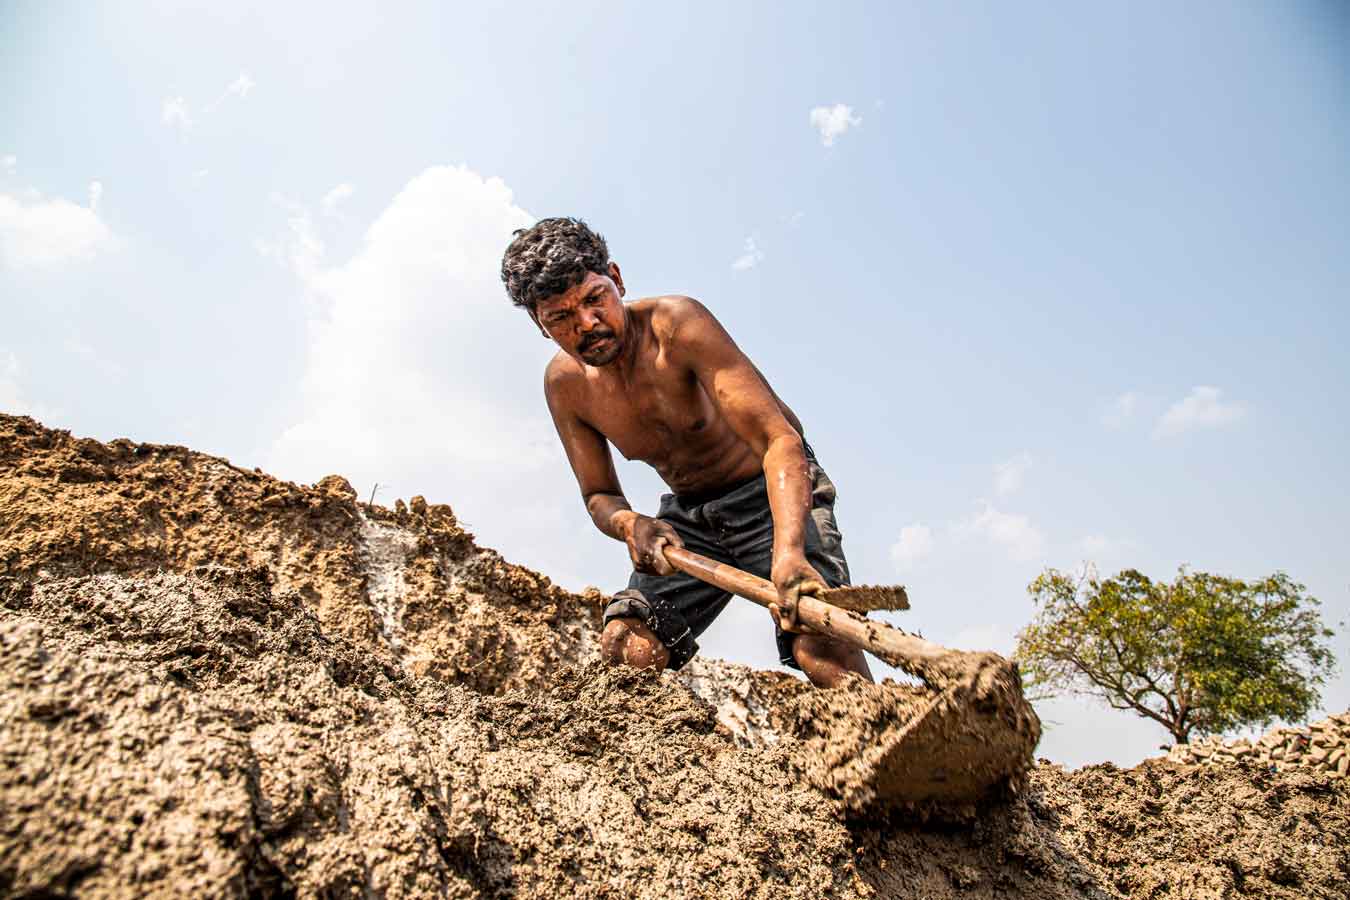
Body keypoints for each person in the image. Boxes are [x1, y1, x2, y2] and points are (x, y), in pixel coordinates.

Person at [501, 218, 871, 688]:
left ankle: (884, 722)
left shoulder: (677, 327)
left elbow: (779, 441)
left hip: (771, 496)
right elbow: (598, 495)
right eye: (561, 317)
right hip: (690, 521)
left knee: (820, 642)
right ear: (540, 323)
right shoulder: (565, 385)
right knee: (627, 646)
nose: (587, 324)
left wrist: (790, 551)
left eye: (595, 299)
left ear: (616, 279)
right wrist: (630, 524)